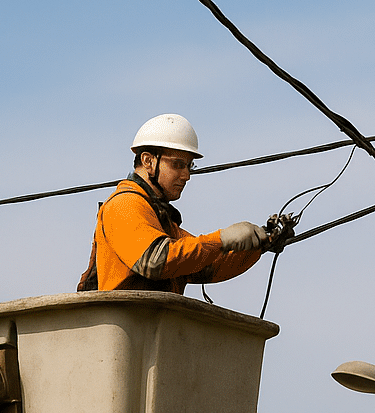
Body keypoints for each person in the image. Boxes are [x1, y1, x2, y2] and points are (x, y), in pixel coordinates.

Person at [79, 114, 273, 294]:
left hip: (152, 325)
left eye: (189, 167)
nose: (187, 176)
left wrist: (260, 244)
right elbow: (155, 260)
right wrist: (222, 239)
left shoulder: (160, 218)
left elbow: (207, 266)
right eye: (178, 165)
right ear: (148, 161)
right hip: (127, 325)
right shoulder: (124, 204)